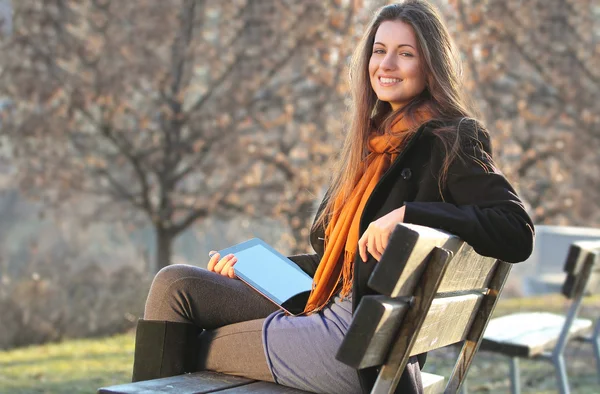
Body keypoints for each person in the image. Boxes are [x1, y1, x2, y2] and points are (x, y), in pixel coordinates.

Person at [131, 1, 535, 393]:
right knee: (176, 284)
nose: (386, 65)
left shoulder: (451, 139)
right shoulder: (372, 143)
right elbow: (337, 262)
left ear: (430, 66)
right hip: (322, 305)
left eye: (405, 54)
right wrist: (251, 272)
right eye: (379, 51)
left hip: (353, 343)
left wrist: (412, 214)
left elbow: (516, 230)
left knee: (184, 346)